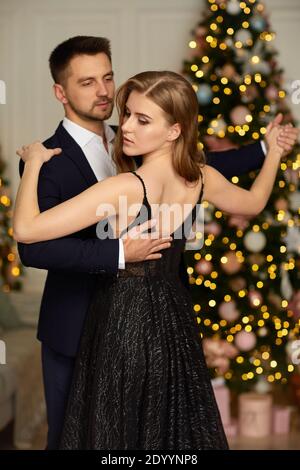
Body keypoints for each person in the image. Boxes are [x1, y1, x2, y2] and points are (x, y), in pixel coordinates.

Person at [16, 36, 297, 449]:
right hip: (163, 320)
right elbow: (252, 201)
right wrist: (272, 153)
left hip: (120, 322)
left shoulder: (124, 183)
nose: (123, 121)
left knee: (110, 434)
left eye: (108, 79)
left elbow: (25, 229)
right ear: (61, 92)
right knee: (161, 431)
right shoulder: (196, 175)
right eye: (127, 115)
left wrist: (32, 165)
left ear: (172, 130)